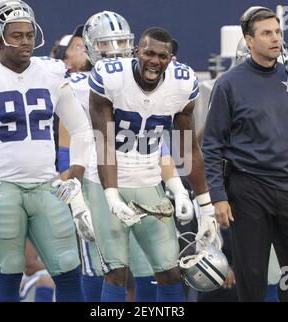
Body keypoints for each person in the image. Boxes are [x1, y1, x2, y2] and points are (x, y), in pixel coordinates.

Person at [89, 26, 218, 302]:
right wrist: (111, 195)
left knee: (169, 270)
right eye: (148, 53)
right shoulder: (111, 77)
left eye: (162, 56)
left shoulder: (182, 84)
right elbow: (105, 143)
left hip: (148, 182)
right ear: (137, 51)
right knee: (117, 270)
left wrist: (203, 205)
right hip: (106, 178)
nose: (154, 60)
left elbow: (187, 149)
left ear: (171, 59)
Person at [0, 0, 92, 302]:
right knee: (8, 273)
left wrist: (76, 177)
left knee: (69, 269)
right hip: (0, 188)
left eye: (29, 35)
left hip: (46, 185)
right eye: (16, 35)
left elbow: (83, 130)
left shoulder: (50, 72)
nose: (25, 42)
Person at [202, 6, 288, 301]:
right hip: (249, 190)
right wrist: (218, 195)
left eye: (277, 32)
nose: (275, 38)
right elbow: (211, 144)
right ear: (249, 41)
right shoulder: (228, 84)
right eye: (266, 33)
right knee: (251, 281)